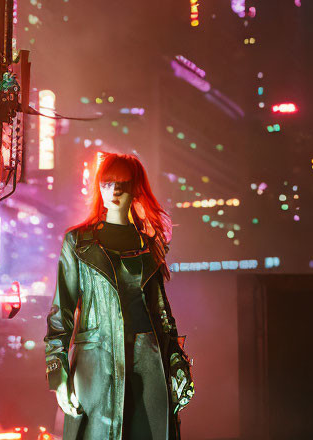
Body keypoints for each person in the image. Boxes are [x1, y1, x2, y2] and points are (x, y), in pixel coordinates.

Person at [45, 152, 194, 440]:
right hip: (96, 367)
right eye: (106, 183)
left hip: (148, 365)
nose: (113, 191)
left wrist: (176, 361)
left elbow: (163, 315)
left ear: (136, 187)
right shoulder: (77, 243)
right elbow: (60, 313)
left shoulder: (149, 244)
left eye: (121, 184)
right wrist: (58, 374)